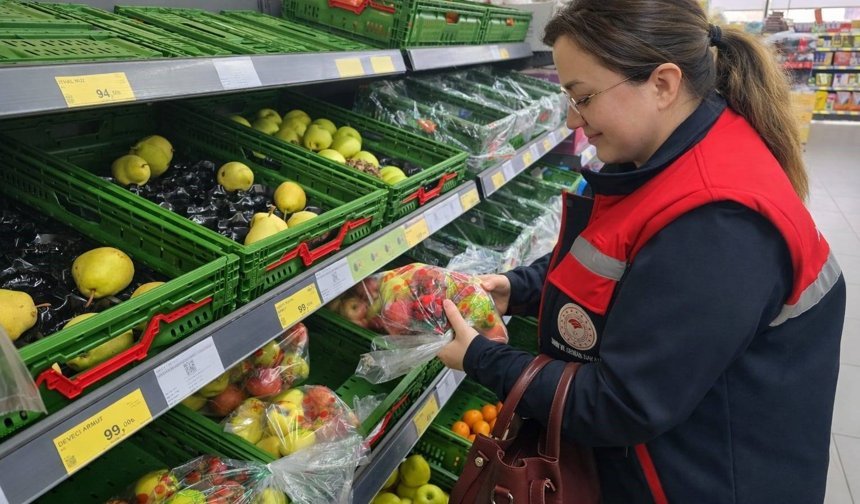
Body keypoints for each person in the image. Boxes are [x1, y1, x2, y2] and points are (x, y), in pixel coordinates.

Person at [436, 1, 847, 502]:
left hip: (701, 480)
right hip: (660, 457)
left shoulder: (719, 223)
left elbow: (621, 405)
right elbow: (613, 257)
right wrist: (519, 289)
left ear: (663, 84)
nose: (571, 118)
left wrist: (482, 359)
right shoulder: (658, 156)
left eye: (583, 97)